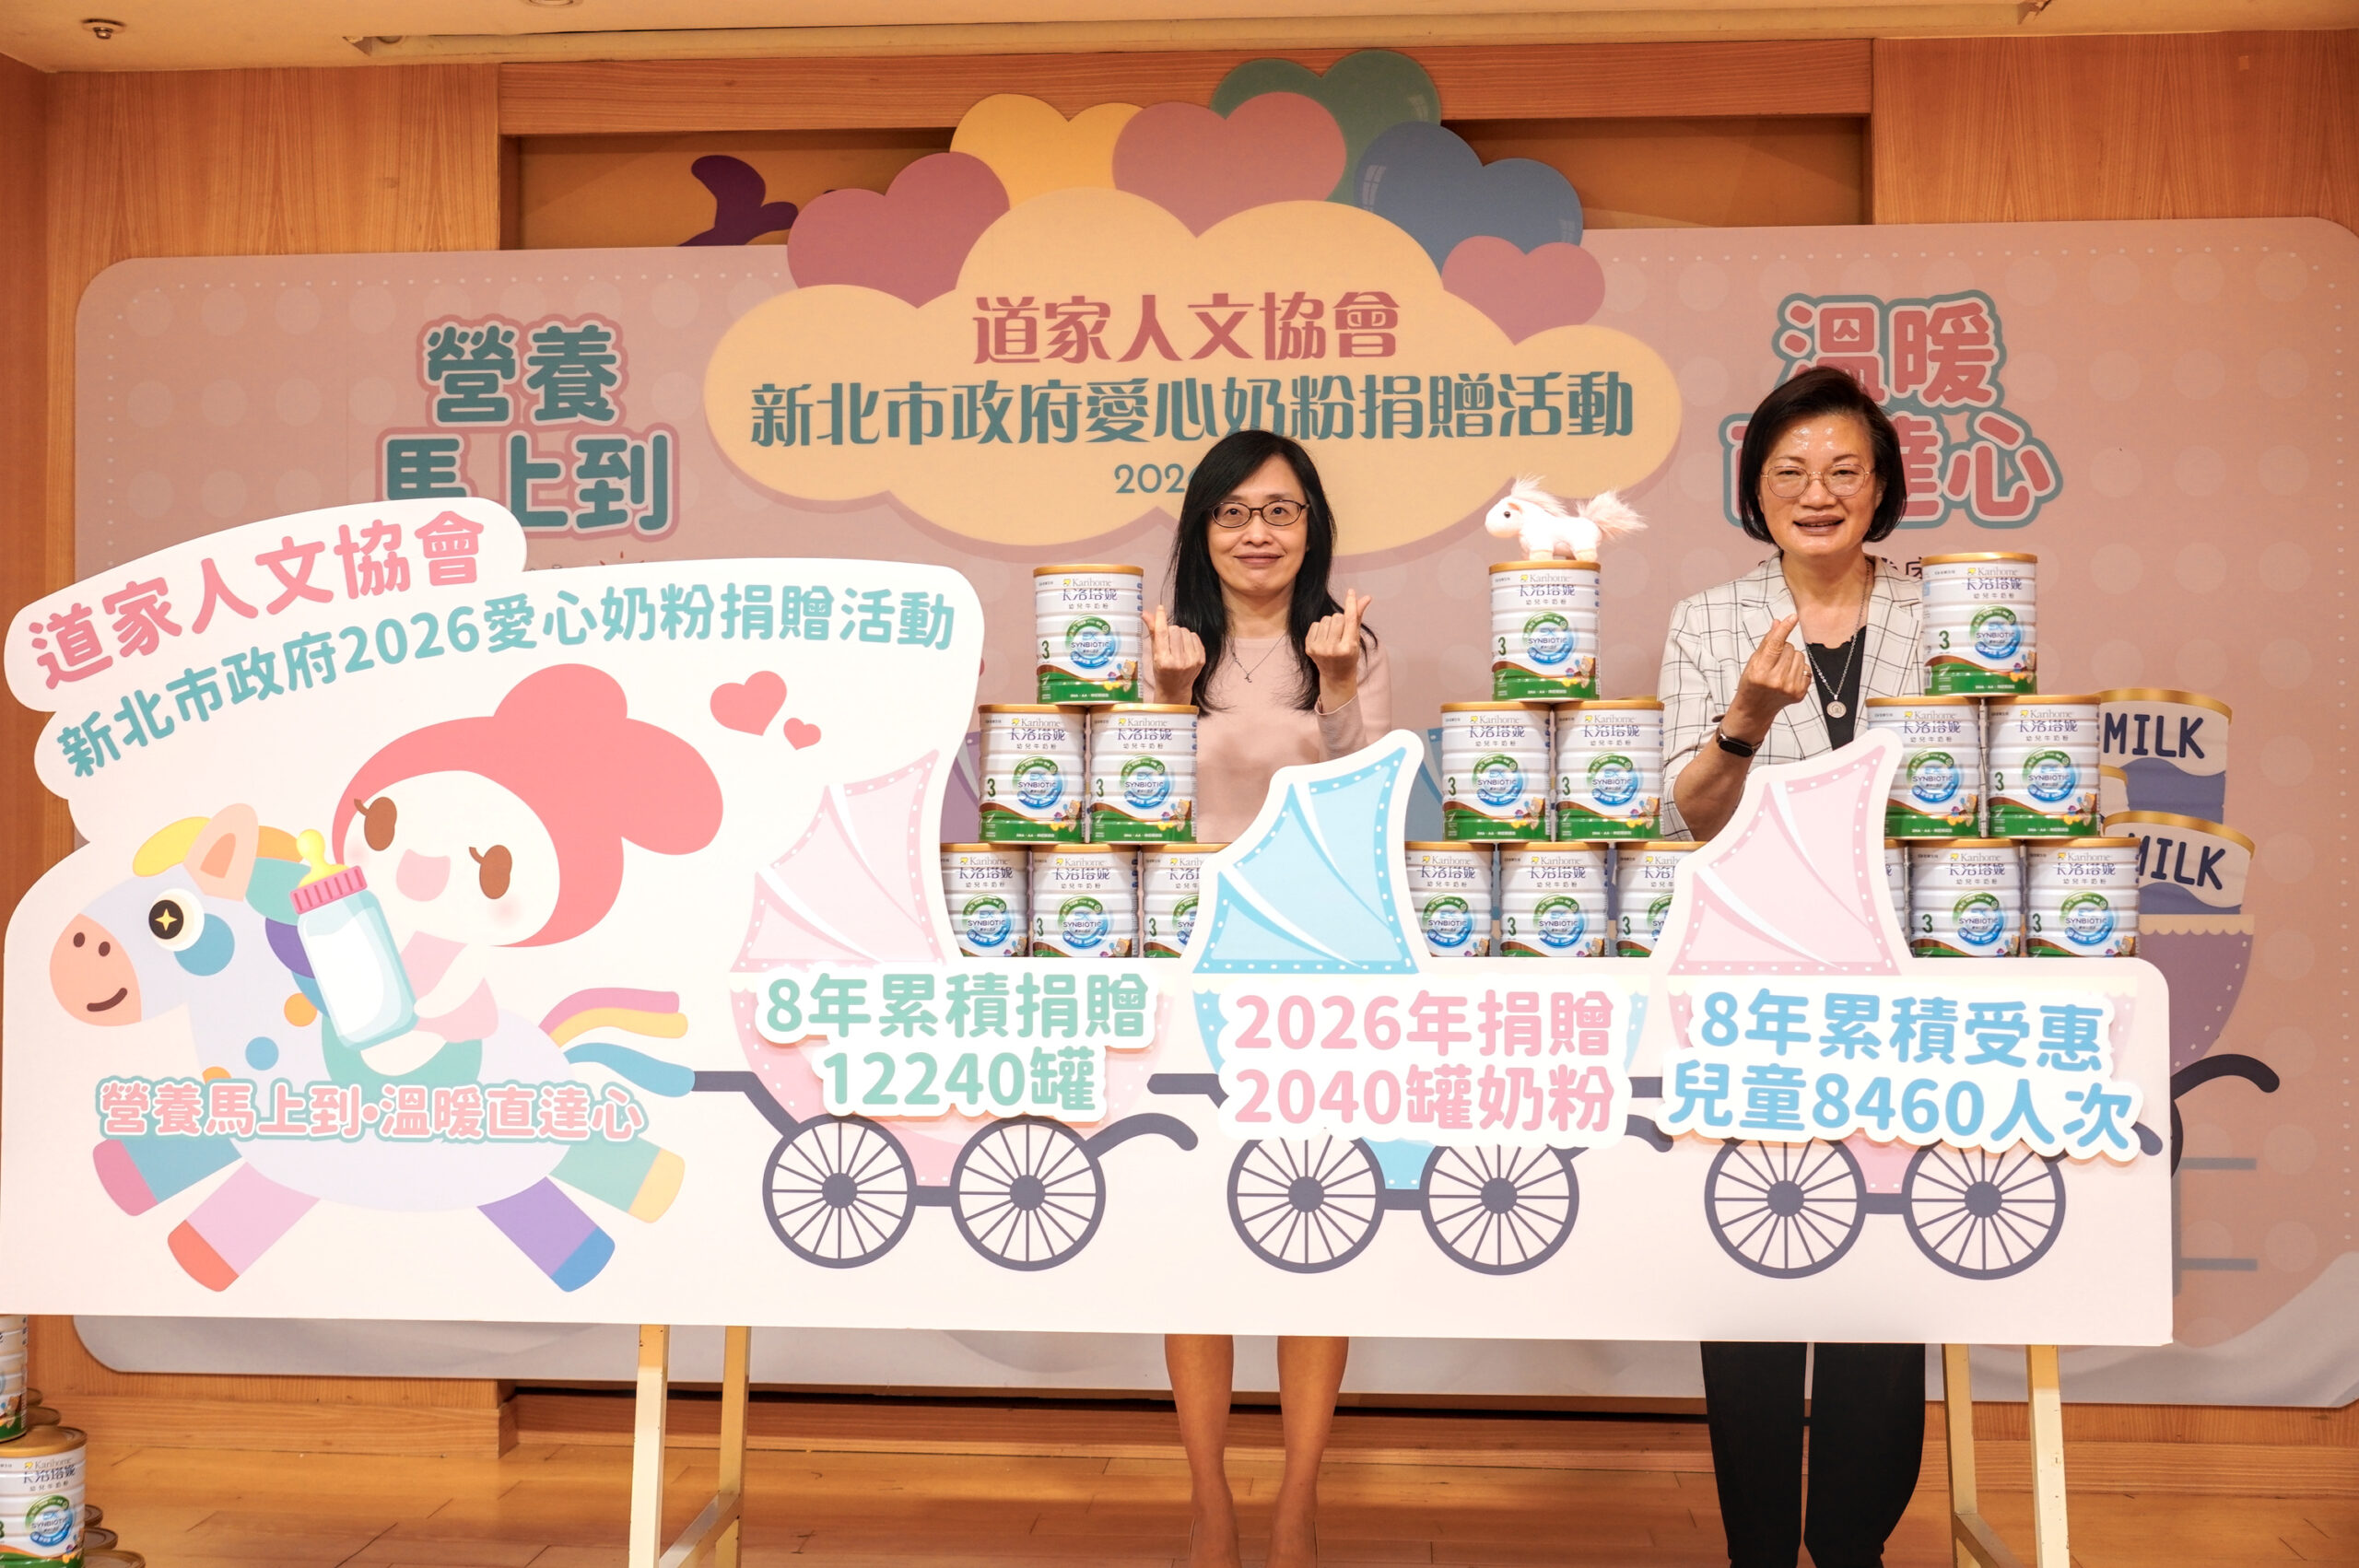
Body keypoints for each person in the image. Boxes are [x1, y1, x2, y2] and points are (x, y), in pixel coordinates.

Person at [1656, 364, 1927, 1568]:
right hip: (1757, 979)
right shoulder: (1709, 620)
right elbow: (1693, 815)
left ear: (1882, 486)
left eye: (1843, 469)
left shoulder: (1948, 610)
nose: (1818, 493)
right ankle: (1759, 1549)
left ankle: (1853, 1543)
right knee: (1756, 1259)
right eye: (1790, 472)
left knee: (1885, 1263)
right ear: (1755, 491)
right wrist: (1745, 724)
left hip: (1910, 975)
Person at [1145, 427, 1391, 1568]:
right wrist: (1163, 702)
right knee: (1191, 1234)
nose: (1258, 532)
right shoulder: (1161, 647)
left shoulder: (1348, 643)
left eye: (1281, 511)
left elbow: (1363, 808)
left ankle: (1297, 1500)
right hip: (1185, 963)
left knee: (1312, 1223)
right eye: (1235, 511)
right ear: (1203, 529)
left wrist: (1338, 690)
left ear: (1312, 528)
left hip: (1314, 962)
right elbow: (1132, 816)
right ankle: (1209, 1501)